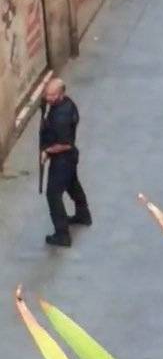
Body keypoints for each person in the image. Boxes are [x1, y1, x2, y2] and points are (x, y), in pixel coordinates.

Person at [40, 77, 91, 247]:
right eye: (47, 94)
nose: (48, 98)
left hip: (62, 159)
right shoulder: (66, 104)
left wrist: (47, 151)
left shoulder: (61, 116)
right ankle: (83, 214)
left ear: (61, 93)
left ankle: (62, 234)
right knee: (72, 184)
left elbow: (64, 144)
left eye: (52, 95)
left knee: (53, 195)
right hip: (69, 159)